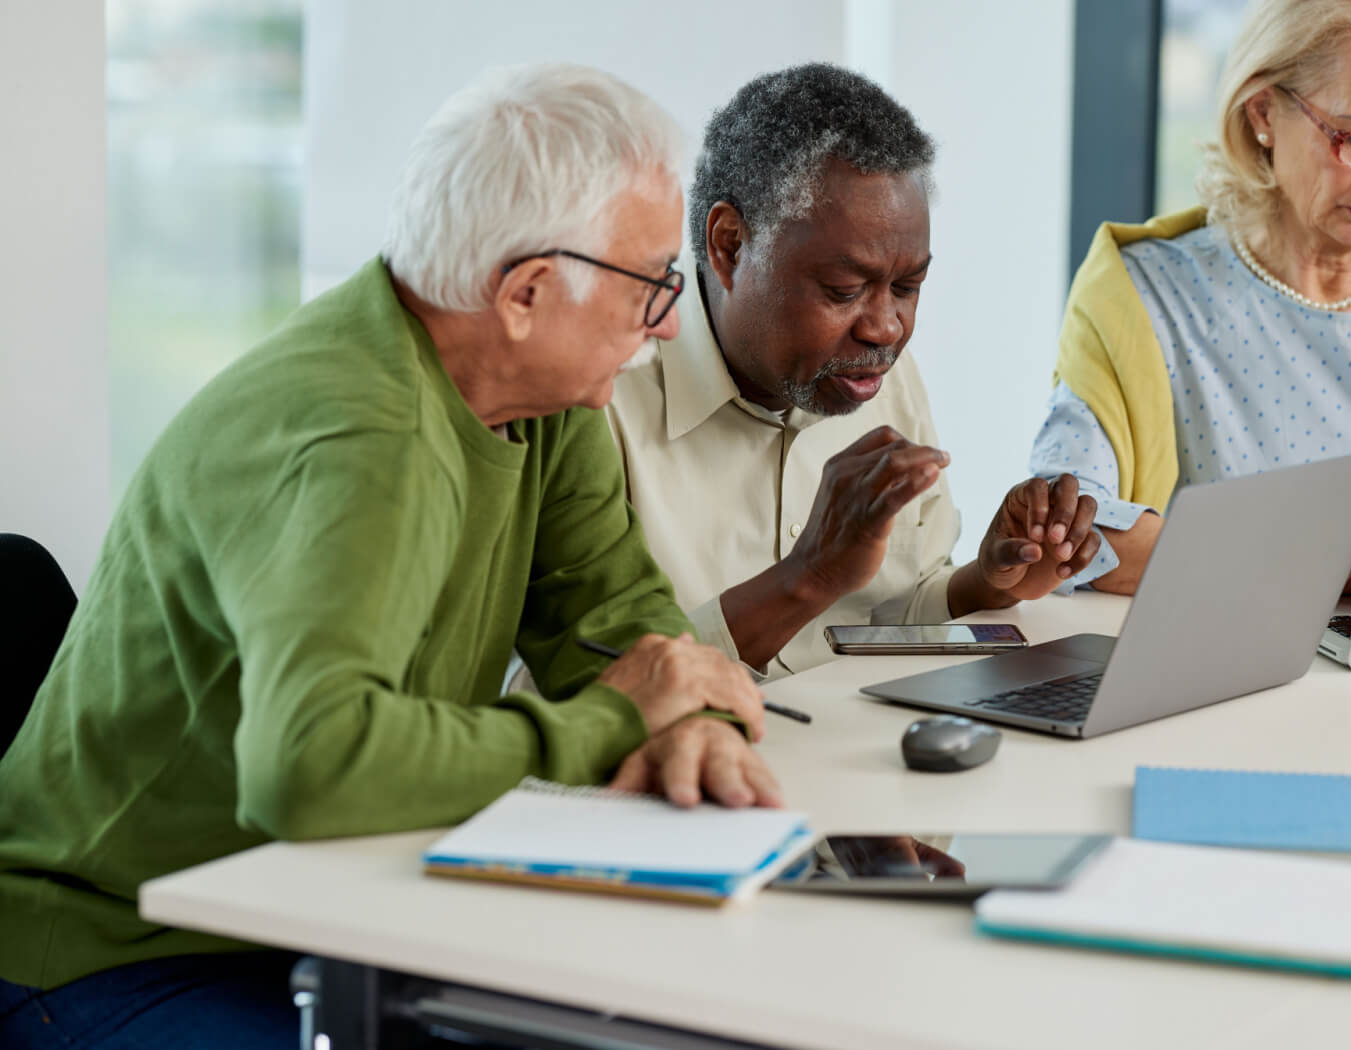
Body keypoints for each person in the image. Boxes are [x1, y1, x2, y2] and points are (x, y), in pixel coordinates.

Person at [0, 64, 777, 1049]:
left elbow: (621, 618)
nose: (668, 322)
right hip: (119, 948)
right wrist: (608, 722)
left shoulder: (536, 395)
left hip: (328, 907)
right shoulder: (354, 437)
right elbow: (309, 768)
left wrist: (691, 720)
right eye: (651, 284)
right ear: (527, 292)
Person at [597, 64, 1102, 678]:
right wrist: (808, 576)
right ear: (730, 245)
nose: (886, 328)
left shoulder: (875, 375)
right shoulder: (601, 395)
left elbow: (889, 620)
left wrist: (989, 582)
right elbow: (585, 688)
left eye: (909, 286)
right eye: (843, 290)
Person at [1029, 0, 1351, 596]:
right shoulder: (1142, 293)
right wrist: (1318, 561)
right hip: (1212, 673)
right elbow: (1065, 532)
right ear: (1263, 113)